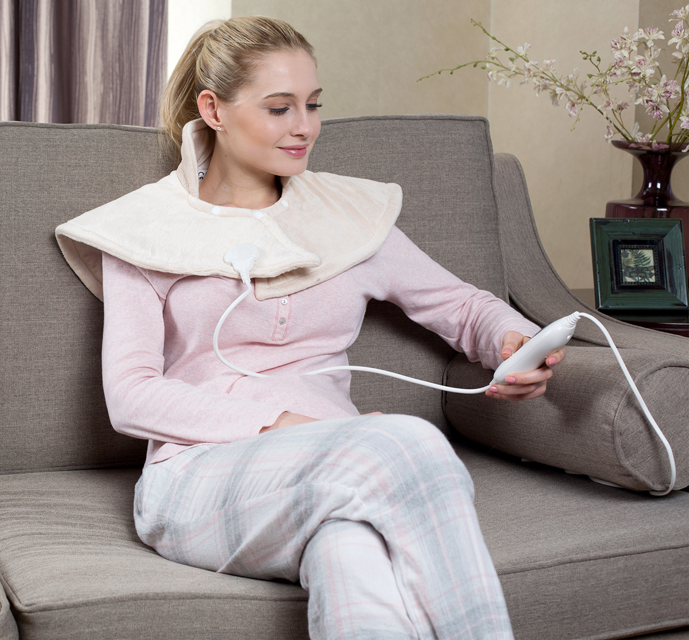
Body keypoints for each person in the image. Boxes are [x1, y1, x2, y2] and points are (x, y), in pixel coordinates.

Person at [57, 15, 566, 640]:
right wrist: (293, 425)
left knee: (351, 550)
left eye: (313, 104)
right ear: (213, 110)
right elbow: (132, 396)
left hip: (340, 469)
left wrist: (512, 340)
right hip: (196, 477)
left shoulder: (347, 217)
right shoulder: (142, 230)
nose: (305, 127)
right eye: (279, 108)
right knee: (407, 443)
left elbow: (464, 307)